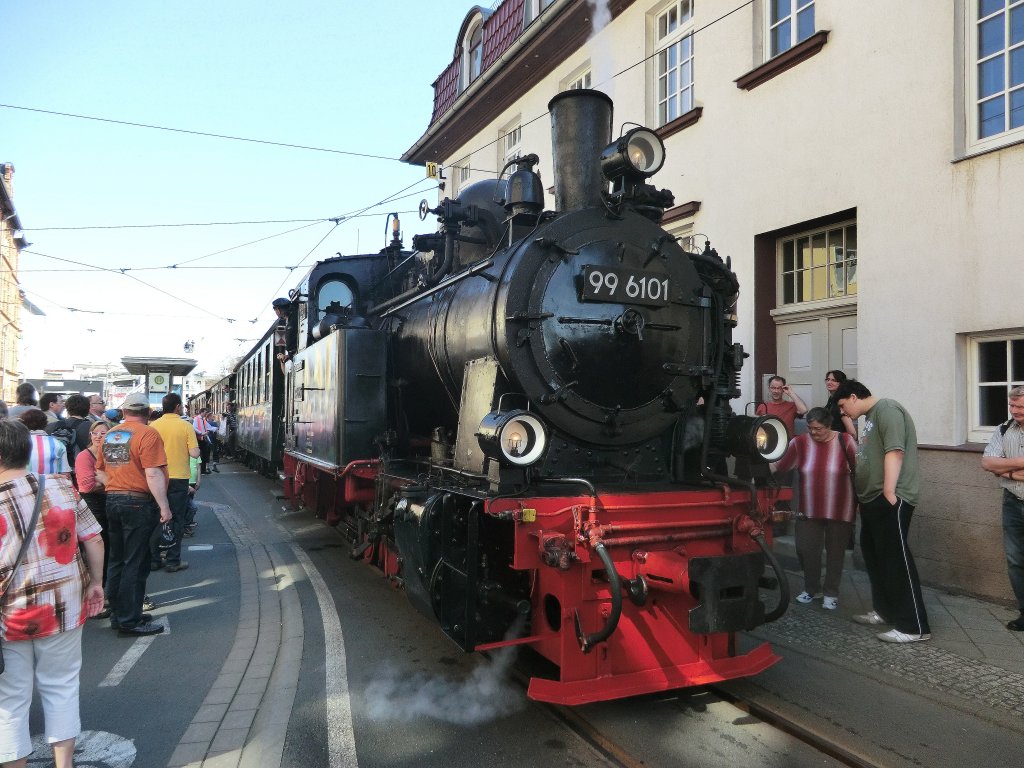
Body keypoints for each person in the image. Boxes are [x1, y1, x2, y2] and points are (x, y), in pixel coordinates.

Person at [0, 418, 105, 768]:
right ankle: (65, 765)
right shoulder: (61, 487)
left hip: (9, 617)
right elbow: (93, 538)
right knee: (61, 687)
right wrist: (95, 582)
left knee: (11, 698)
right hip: (63, 606)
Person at [834, 379, 931, 643]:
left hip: (889, 499)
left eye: (843, 406)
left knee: (896, 560)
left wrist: (889, 492)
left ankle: (914, 627)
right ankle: (886, 611)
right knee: (876, 558)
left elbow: (895, 451)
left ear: (853, 396)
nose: (843, 413)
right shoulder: (871, 417)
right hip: (872, 501)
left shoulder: (887, 409)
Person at [94, 392, 171, 636]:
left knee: (117, 559)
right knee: (135, 563)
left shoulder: (110, 435)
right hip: (138, 503)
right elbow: (153, 473)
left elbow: (100, 472)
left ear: (124, 412)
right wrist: (164, 506)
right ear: (148, 413)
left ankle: (120, 613)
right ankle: (130, 620)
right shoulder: (148, 434)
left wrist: (115, 486)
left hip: (113, 500)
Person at [771, 407, 858, 609]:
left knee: (836, 552)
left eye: (818, 429)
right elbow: (779, 465)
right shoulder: (800, 443)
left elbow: (860, 472)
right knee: (805, 549)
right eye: (810, 428)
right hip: (808, 508)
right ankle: (812, 588)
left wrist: (861, 501)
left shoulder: (845, 441)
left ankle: (831, 592)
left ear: (829, 426)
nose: (814, 433)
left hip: (840, 507)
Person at [980, 385, 1024, 632]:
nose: (1015, 410)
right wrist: (1017, 468)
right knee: (1016, 560)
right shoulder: (1004, 429)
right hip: (1012, 502)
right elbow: (987, 462)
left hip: (1011, 490)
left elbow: (996, 465)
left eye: (1020, 406)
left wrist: (1005, 469)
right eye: (1012, 405)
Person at [149, 393, 200, 573]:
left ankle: (154, 560)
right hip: (179, 478)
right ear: (178, 407)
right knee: (177, 518)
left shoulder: (153, 426)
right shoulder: (186, 426)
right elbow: (194, 454)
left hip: (156, 477)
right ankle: (173, 560)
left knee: (157, 518)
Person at [76, 420, 111, 597]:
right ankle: (98, 590)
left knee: (110, 548)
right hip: (93, 507)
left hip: (109, 505)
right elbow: (86, 486)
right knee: (98, 548)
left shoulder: (112, 454)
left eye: (103, 433)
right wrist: (108, 481)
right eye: (95, 433)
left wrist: (105, 480)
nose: (98, 436)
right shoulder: (84, 456)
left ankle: (104, 589)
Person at [20, 408, 71, 478]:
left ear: (24, 424)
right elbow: (65, 474)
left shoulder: (18, 443)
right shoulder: (58, 444)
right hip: (51, 485)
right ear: (45, 424)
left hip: (24, 485)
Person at [823, 370, 856, 436]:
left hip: (839, 442)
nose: (829, 382)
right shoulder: (832, 399)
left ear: (841, 383)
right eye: (828, 379)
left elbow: (852, 433)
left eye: (834, 380)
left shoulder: (841, 403)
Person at [193, 407, 212, 474]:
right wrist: (201, 433)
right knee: (199, 455)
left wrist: (212, 429)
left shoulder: (203, 419)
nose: (206, 414)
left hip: (203, 438)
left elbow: (207, 426)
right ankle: (198, 470)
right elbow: (194, 428)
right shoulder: (196, 419)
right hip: (199, 439)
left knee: (204, 454)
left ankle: (203, 470)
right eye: (205, 412)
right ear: (202, 412)